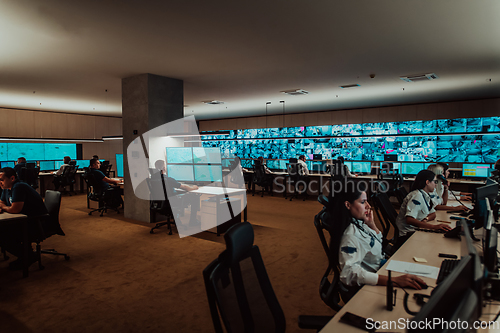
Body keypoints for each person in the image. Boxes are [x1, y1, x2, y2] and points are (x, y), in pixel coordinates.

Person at [332, 182, 426, 302]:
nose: (368, 206)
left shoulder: (360, 223)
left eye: (367, 201)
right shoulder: (350, 236)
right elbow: (348, 273)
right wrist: (394, 280)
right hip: (373, 281)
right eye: (362, 202)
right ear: (348, 205)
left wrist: (372, 226)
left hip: (382, 268)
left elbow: (377, 244)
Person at [0, 167, 48, 270]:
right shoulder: (7, 188)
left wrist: (3, 208)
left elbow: (15, 209)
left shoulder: (19, 187)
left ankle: (29, 256)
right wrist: (4, 206)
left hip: (36, 223)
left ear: (12, 178)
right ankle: (26, 255)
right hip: (24, 220)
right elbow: (1, 202)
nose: (0, 183)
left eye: (2, 180)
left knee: (3, 236)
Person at [395, 170, 452, 245]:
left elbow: (433, 214)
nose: (435, 185)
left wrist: (425, 219)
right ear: (427, 182)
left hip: (417, 229)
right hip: (408, 235)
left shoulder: (425, 195)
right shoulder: (417, 196)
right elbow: (409, 219)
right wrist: (434, 227)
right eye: (434, 182)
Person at [154, 160, 199, 225]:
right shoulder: (169, 179)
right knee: (195, 197)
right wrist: (194, 187)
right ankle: (193, 221)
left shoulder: (154, 178)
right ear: (164, 168)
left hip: (161, 203)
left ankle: (176, 219)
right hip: (172, 202)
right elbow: (185, 187)